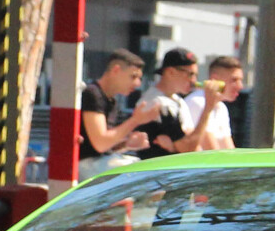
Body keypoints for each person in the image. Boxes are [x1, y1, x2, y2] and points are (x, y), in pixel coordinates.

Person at [76, 48, 158, 178]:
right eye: (133, 77)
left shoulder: (111, 101)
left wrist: (126, 144)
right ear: (116, 70)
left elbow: (101, 147)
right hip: (81, 166)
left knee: (149, 175)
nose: (137, 84)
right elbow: (100, 143)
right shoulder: (93, 94)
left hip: (95, 164)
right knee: (143, 176)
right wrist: (135, 120)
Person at [132, 48, 204, 159]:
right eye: (190, 74)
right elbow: (189, 148)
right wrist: (208, 107)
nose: (193, 81)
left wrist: (174, 147)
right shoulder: (156, 102)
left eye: (195, 75)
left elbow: (194, 146)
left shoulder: (178, 101)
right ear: (171, 72)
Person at [195, 54, 244, 151]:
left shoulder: (221, 108)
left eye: (240, 80)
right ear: (215, 80)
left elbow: (229, 150)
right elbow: (213, 152)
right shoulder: (198, 103)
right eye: (234, 80)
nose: (240, 86)